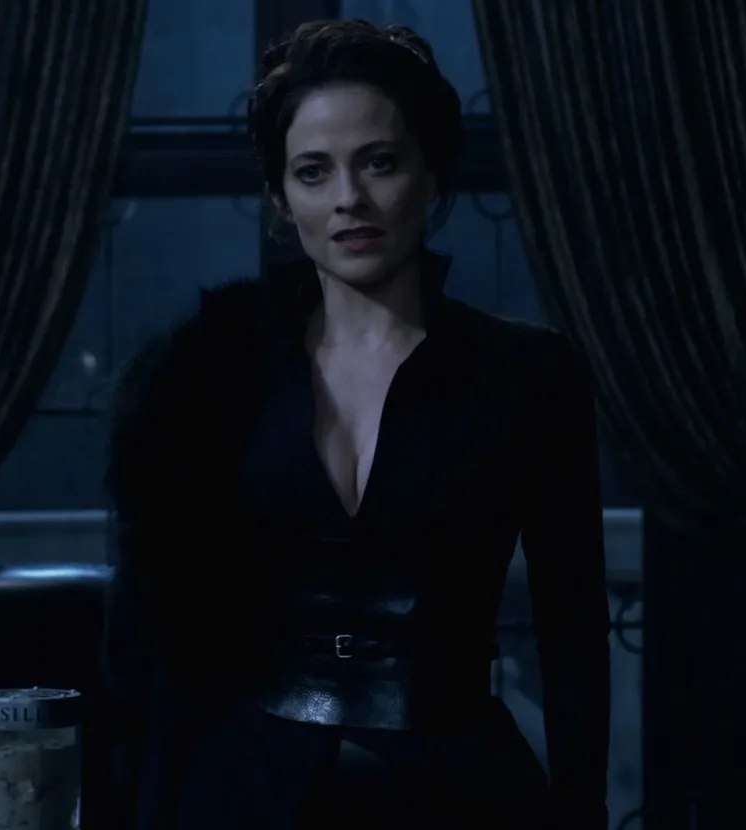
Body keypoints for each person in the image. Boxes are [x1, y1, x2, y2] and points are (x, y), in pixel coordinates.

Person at [100, 20, 609, 830]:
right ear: (281, 199)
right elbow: (151, 637)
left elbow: (573, 630)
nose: (349, 198)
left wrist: (581, 812)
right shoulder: (208, 374)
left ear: (431, 175)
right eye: (314, 171)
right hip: (243, 787)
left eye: (379, 162)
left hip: (455, 781)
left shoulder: (527, 376)